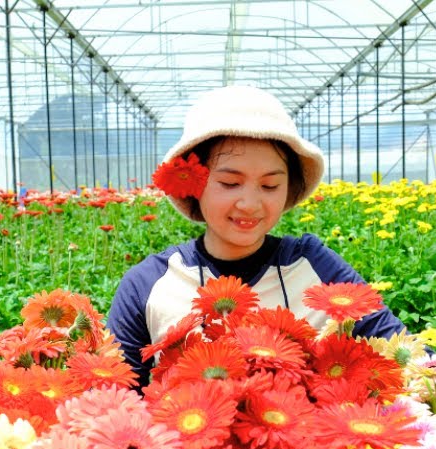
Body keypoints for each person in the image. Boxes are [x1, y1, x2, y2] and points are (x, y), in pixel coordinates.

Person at [106, 84, 405, 387]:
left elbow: (403, 355)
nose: (250, 204)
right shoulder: (148, 285)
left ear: (289, 187)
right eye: (230, 183)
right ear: (193, 184)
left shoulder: (316, 267)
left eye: (269, 186)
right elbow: (112, 399)